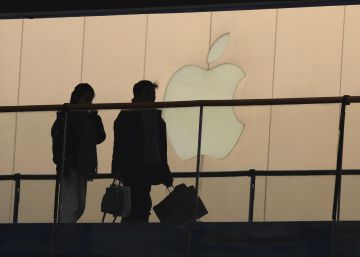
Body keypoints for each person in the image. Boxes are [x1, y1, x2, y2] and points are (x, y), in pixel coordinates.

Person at [112, 80, 173, 223]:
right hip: (135, 167)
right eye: (149, 94)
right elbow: (120, 144)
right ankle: (136, 233)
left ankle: (133, 234)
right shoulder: (135, 116)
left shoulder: (132, 115)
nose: (152, 97)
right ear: (138, 95)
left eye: (152, 94)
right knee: (139, 203)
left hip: (142, 167)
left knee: (137, 203)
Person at [51, 83, 106, 223]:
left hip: (81, 165)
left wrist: (94, 116)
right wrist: (63, 162)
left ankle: (65, 234)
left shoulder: (80, 118)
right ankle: (65, 236)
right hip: (70, 165)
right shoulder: (67, 117)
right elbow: (60, 142)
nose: (89, 104)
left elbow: (100, 136)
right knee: (72, 204)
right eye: (87, 100)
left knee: (79, 205)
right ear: (77, 98)